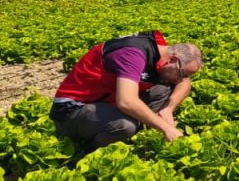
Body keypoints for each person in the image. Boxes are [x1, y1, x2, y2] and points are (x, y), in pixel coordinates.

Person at [49, 30, 202, 152]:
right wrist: (166, 128)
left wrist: (168, 109)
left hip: (107, 101)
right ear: (173, 60)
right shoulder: (132, 55)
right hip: (73, 110)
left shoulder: (160, 50)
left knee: (164, 90)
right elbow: (126, 102)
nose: (182, 78)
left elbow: (184, 83)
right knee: (125, 125)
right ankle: (87, 151)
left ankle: (140, 130)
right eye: (182, 73)